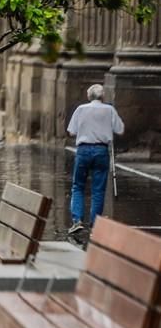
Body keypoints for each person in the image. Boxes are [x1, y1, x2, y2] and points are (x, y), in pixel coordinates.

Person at [66, 84, 124, 235]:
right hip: (101, 151)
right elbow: (120, 129)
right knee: (98, 190)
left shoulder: (81, 109)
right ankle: (94, 225)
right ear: (102, 96)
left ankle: (77, 220)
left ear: (88, 96)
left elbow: (71, 131)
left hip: (84, 150)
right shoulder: (109, 110)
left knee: (78, 186)